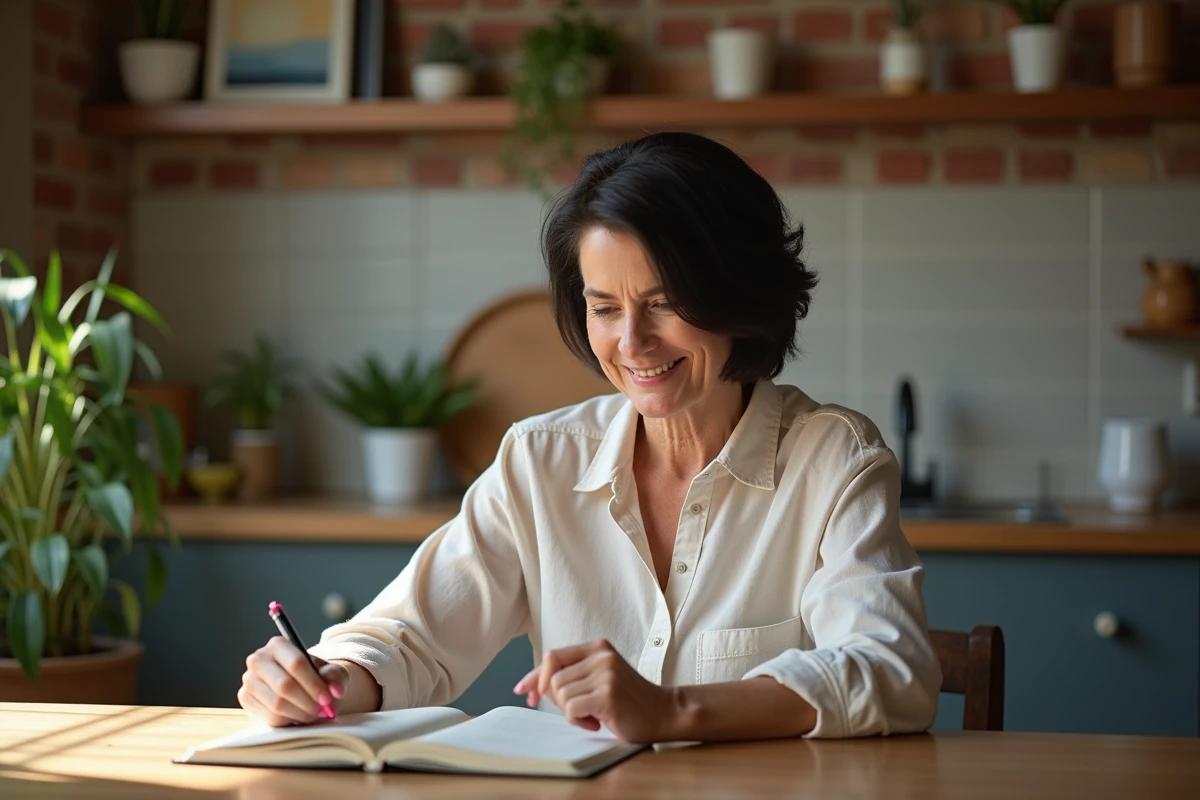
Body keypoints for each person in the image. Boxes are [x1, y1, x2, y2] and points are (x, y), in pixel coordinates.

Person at [238, 132, 941, 742]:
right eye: (605, 308)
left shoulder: (833, 460)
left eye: (664, 303)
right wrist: (330, 677)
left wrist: (673, 710)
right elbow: (413, 635)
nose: (631, 342)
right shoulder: (540, 461)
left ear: (740, 294)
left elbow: (893, 671)